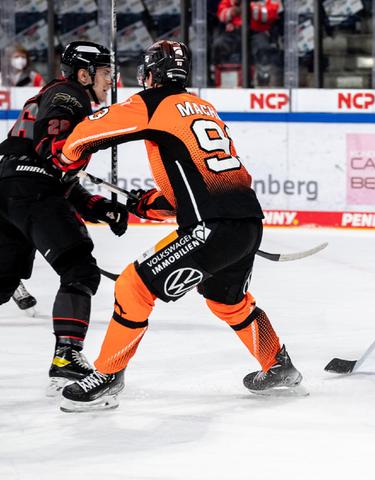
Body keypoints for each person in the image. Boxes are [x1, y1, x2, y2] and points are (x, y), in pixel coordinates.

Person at [57, 40, 303, 412]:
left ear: (151, 73)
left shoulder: (151, 103)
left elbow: (82, 138)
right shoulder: (204, 108)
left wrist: (67, 156)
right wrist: (149, 203)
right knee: (227, 300)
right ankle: (278, 364)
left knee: (133, 287)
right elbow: (198, 186)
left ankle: (108, 375)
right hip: (248, 222)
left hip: (212, 227)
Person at [0, 41, 128, 395]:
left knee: (1, 284)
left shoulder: (54, 93)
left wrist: (98, 206)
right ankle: (66, 357)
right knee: (79, 270)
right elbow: (52, 154)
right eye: (105, 73)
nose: (110, 80)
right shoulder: (71, 95)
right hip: (31, 192)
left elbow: (50, 171)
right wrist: (96, 138)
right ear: (84, 74)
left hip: (8, 188)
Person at [213, 0, 282, 86]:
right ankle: (225, 82)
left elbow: (272, 14)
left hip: (258, 31)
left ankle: (263, 83)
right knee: (220, 45)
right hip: (234, 31)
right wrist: (232, 11)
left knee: (263, 49)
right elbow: (221, 15)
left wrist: (249, 8)